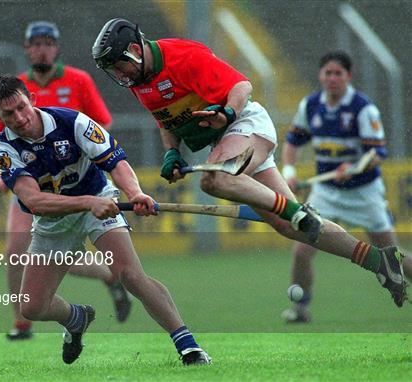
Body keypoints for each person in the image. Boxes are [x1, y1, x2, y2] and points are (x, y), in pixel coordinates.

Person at [91, 19, 408, 310]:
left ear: (134, 50)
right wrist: (172, 153)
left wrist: (226, 113)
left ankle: (297, 211)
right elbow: (166, 122)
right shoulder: (138, 82)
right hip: (227, 139)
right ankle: (379, 261)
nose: (120, 75)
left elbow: (241, 86)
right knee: (290, 227)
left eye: (119, 66)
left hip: (246, 124)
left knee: (214, 180)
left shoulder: (183, 55)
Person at [0, 75, 211, 365]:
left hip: (99, 197)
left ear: (32, 98)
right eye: (9, 114)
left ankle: (188, 346)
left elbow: (115, 162)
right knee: (31, 307)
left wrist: (135, 192)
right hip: (55, 219)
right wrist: (87, 203)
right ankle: (75, 318)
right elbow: (34, 201)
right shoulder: (3, 149)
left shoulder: (74, 122)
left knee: (128, 274)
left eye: (22, 107)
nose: (19, 117)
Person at [0, 21, 132, 340]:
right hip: (34, 183)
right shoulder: (12, 89)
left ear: (56, 48)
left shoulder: (78, 80)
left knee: (57, 258)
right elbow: (0, 143)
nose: (41, 48)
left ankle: (111, 277)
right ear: (27, 48)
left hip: (79, 181)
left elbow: (101, 125)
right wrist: (2, 178)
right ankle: (22, 322)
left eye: (47, 42)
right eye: (35, 43)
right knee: (16, 250)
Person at [280, 51, 412, 322]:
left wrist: (354, 168)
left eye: (338, 73)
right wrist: (289, 171)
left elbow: (376, 153)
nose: (332, 78)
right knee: (302, 251)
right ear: (320, 75)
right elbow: (293, 141)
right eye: (327, 73)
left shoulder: (363, 108)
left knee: (392, 257)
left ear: (348, 76)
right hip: (326, 193)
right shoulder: (311, 105)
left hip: (365, 193)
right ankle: (300, 308)